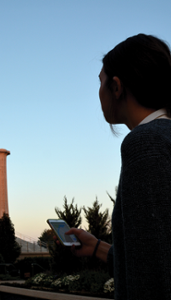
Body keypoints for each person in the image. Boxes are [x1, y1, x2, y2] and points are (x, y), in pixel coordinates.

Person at [63, 34, 171, 300]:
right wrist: (98, 247)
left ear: (116, 87)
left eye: (101, 82)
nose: (98, 92)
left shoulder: (145, 143)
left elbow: (153, 274)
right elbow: (153, 251)